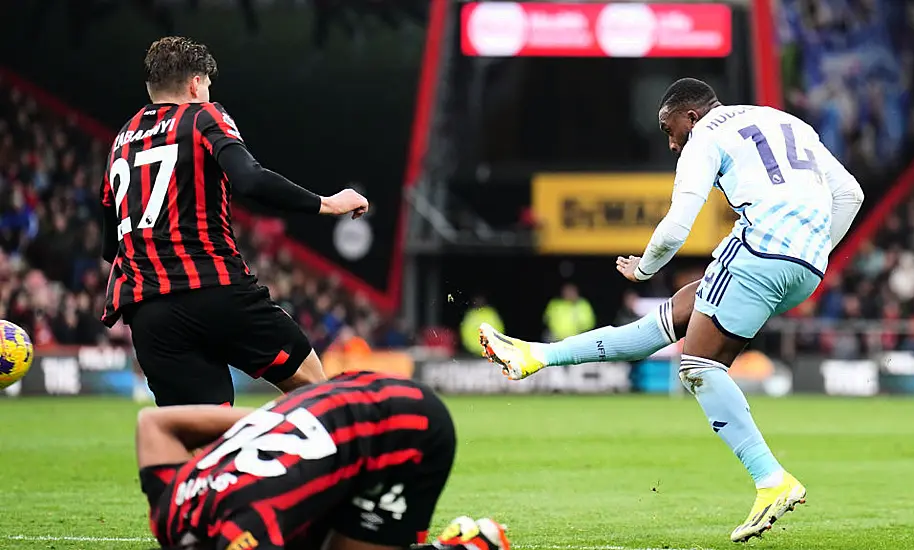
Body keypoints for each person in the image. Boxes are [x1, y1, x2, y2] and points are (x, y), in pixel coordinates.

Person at [479, 78, 865, 542]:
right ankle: (535, 356)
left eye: (670, 129)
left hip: (761, 248)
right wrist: (815, 253)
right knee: (664, 322)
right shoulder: (783, 120)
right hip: (805, 264)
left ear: (692, 116)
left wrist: (644, 269)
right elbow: (852, 195)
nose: (670, 142)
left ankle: (771, 480)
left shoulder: (705, 136)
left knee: (698, 364)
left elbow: (676, 226)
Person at [100, 36, 369, 406]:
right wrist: (327, 204)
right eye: (207, 85)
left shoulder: (121, 141)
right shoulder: (202, 116)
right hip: (216, 292)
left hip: (149, 314)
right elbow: (251, 180)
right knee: (314, 394)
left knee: (206, 440)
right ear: (196, 84)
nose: (209, 93)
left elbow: (108, 245)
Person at [137, 370, 511, 550]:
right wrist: (277, 421)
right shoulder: (169, 507)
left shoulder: (249, 525)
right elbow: (152, 423)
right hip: (340, 394)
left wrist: (281, 424)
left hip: (408, 426)